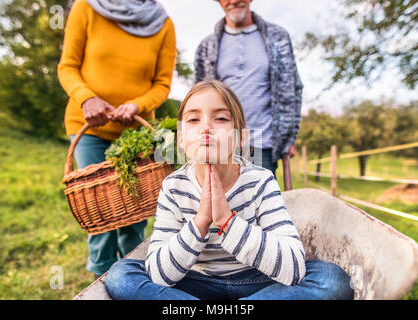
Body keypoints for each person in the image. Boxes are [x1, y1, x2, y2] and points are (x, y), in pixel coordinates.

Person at [104, 80, 353, 300]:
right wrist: (201, 221)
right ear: (181, 139)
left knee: (331, 280)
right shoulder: (173, 187)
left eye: (221, 118)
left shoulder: (260, 181)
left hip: (257, 281)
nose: (206, 128)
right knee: (120, 275)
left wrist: (226, 220)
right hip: (195, 282)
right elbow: (159, 274)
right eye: (193, 119)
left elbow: (294, 266)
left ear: (242, 137)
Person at [57, 0, 177, 278]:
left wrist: (137, 104)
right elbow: (67, 67)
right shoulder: (87, 7)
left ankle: (134, 277)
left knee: (134, 214)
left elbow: (162, 84)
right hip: (89, 127)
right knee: (101, 214)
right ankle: (100, 279)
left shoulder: (163, 24)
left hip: (133, 133)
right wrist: (86, 98)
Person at [194, 0, 303, 177]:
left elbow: (294, 88)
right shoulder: (206, 47)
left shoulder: (278, 38)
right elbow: (197, 98)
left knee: (263, 203)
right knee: (222, 202)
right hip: (222, 144)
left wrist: (290, 136)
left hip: (263, 144)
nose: (234, 1)